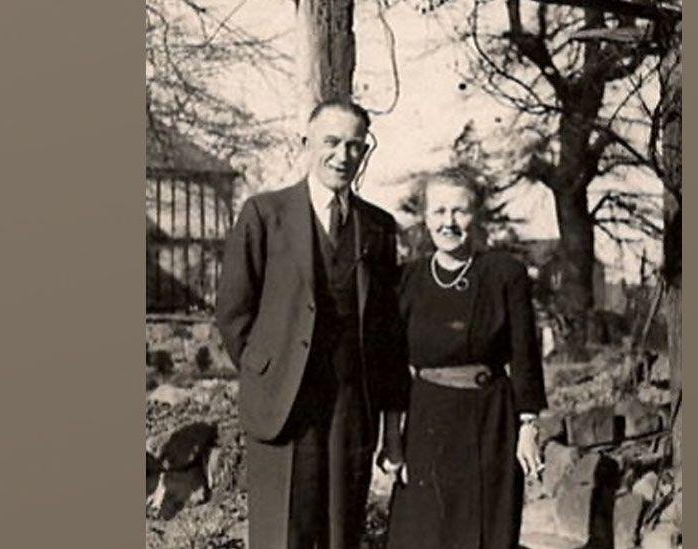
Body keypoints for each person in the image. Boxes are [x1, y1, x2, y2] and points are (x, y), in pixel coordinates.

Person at [215, 99, 410, 549]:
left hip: (350, 411)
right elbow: (233, 312)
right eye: (332, 142)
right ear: (306, 144)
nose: (343, 156)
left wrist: (387, 424)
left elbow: (387, 335)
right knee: (283, 535)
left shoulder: (377, 227)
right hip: (284, 412)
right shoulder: (265, 214)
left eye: (355, 146)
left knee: (341, 534)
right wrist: (268, 374)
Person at [382, 170, 547, 549]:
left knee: (485, 531)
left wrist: (528, 427)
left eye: (460, 211)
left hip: (489, 422)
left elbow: (525, 352)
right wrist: (392, 437)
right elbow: (391, 367)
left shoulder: (504, 273)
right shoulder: (407, 280)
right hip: (426, 424)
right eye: (438, 211)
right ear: (425, 217)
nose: (448, 222)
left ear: (477, 216)